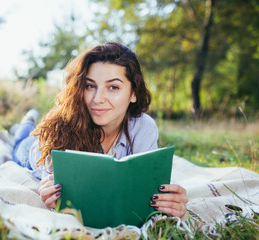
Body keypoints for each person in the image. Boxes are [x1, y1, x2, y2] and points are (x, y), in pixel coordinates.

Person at [13, 42, 188, 218]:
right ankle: (25, 123)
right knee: (20, 142)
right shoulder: (61, 127)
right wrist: (50, 190)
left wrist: (169, 200)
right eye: (90, 86)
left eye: (113, 87)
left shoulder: (144, 127)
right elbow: (53, 186)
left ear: (133, 93)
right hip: (34, 150)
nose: (98, 99)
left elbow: (148, 187)